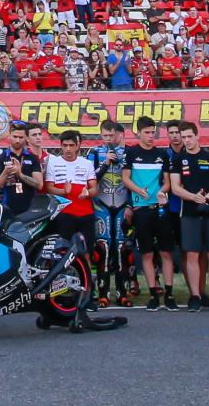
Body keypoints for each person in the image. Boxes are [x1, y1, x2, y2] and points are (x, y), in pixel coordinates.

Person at [169, 121, 209, 313]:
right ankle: (195, 295)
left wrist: (208, 197)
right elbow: (175, 187)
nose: (186, 140)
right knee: (192, 254)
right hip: (188, 211)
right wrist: (193, 197)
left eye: (189, 137)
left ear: (197, 136)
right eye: (183, 137)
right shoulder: (178, 159)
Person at [123, 116, 177, 311]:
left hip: (160, 209)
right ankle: (153, 293)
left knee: (166, 253)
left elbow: (168, 181)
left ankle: (169, 294)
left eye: (152, 132)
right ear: (138, 132)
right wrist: (138, 191)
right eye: (146, 132)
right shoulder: (131, 153)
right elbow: (125, 178)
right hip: (141, 210)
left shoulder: (162, 154)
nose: (150, 136)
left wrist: (163, 191)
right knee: (146, 254)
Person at [86, 120, 132, 306]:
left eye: (111, 136)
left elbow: (132, 179)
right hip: (101, 204)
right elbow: (90, 178)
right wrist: (105, 163)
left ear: (118, 135)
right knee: (103, 247)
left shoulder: (129, 152)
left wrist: (130, 205)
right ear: (100, 135)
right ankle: (103, 292)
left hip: (122, 204)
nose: (108, 139)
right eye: (105, 136)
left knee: (122, 248)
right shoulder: (94, 153)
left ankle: (122, 292)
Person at [44, 131, 97, 247]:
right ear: (61, 146)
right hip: (64, 214)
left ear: (77, 146)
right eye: (65, 145)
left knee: (86, 250)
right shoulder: (53, 163)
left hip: (85, 213)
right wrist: (63, 192)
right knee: (64, 248)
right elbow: (49, 188)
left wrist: (87, 193)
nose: (68, 149)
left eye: (71, 145)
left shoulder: (87, 163)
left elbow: (94, 189)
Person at [0, 122, 45, 216]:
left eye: (21, 137)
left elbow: (39, 185)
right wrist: (6, 172)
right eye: (15, 136)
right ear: (9, 135)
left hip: (30, 207)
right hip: (8, 207)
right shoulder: (2, 157)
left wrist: (20, 175)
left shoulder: (32, 158)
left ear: (26, 138)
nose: (18, 140)